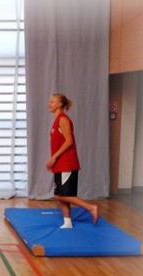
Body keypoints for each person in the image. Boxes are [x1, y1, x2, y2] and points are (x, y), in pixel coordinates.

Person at [46, 93, 98, 228]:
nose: (49, 104)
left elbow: (69, 141)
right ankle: (67, 222)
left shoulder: (63, 119)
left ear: (60, 104)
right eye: (49, 102)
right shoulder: (57, 119)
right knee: (62, 194)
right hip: (60, 163)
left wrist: (54, 156)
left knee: (60, 195)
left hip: (67, 162)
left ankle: (90, 207)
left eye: (52, 102)